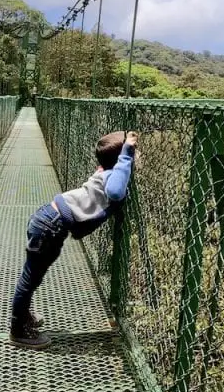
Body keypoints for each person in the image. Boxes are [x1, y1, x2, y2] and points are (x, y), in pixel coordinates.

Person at [10, 130, 139, 349]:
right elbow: (116, 192)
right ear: (120, 160)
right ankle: (18, 330)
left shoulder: (106, 172)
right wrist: (127, 152)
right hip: (50, 225)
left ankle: (23, 316)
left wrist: (124, 155)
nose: (136, 156)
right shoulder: (111, 177)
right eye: (134, 152)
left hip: (50, 222)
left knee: (34, 277)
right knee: (30, 278)